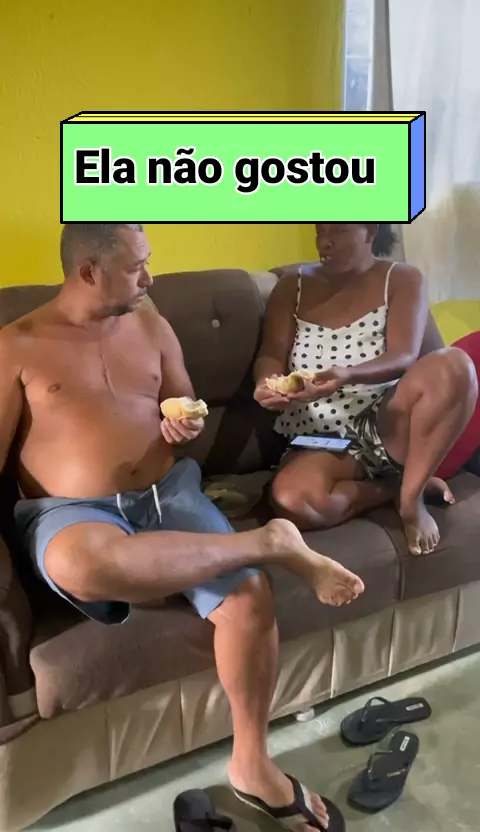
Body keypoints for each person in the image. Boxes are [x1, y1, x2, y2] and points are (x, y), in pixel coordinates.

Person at [0, 223, 365, 832]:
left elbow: (184, 401)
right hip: (71, 512)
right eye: (136, 267)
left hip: (168, 494)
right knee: (79, 566)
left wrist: (183, 426)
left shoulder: (151, 325)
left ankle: (252, 765)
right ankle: (267, 541)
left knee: (248, 598)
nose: (150, 277)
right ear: (88, 271)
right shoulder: (16, 345)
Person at [254, 223, 478, 556]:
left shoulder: (402, 279)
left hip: (385, 423)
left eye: (338, 232)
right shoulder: (291, 287)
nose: (324, 242)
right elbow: (271, 354)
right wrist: (265, 383)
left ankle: (411, 499)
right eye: (320, 231)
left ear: (370, 232)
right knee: (292, 500)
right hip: (319, 439)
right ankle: (392, 488)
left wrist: (347, 374)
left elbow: (403, 356)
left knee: (456, 365)